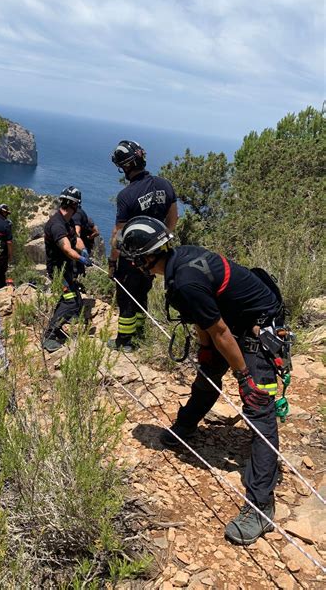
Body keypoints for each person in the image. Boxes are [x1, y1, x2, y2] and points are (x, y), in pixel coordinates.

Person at [119, 216, 285, 545]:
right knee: (207, 374)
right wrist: (207, 351)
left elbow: (220, 330)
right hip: (234, 317)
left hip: (257, 322)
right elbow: (203, 319)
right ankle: (185, 428)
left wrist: (245, 375)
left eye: (135, 259)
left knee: (258, 402)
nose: (134, 264)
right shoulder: (179, 263)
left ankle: (261, 507)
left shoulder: (184, 281)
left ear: (145, 259)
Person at [108, 140, 178, 352]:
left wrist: (112, 261)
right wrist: (160, 245)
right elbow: (173, 219)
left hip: (131, 256)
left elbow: (117, 234)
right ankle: (139, 334)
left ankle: (124, 341)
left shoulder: (126, 196)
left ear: (126, 167)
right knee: (142, 292)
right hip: (156, 256)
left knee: (127, 296)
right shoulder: (165, 185)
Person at [42, 186, 92, 353]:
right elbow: (66, 248)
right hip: (57, 270)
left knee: (75, 300)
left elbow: (75, 239)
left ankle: (56, 329)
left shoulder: (68, 221)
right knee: (70, 301)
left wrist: (83, 249)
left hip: (66, 268)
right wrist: (81, 258)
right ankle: (49, 335)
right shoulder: (56, 224)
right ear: (76, 205)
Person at [72, 204, 100, 277]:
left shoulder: (86, 220)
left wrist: (88, 237)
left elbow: (96, 232)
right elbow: (97, 231)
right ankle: (81, 276)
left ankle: (79, 278)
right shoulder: (87, 219)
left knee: (77, 262)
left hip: (83, 245)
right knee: (79, 262)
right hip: (84, 244)